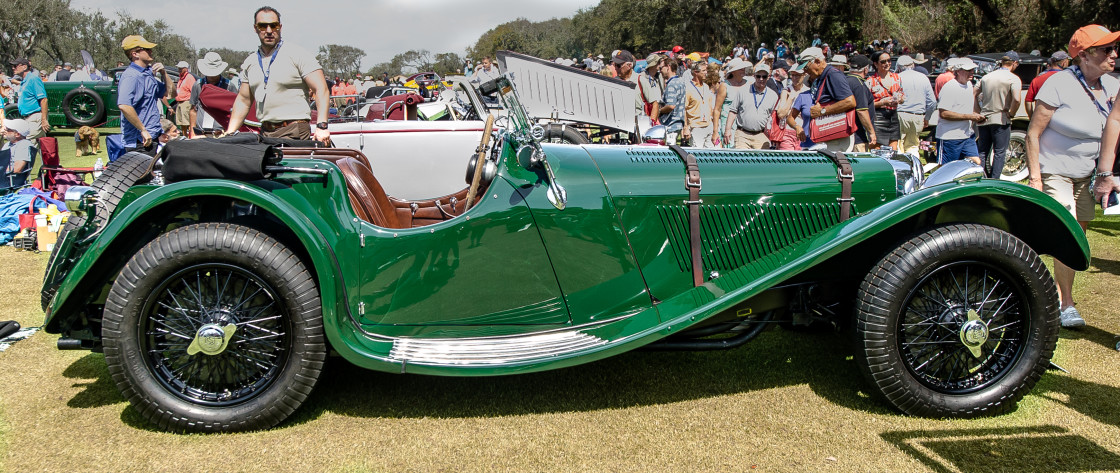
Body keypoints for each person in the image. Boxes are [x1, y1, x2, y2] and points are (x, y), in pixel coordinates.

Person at [1026, 24, 1119, 328]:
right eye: (1107, 49)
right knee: (1066, 232)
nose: (1114, 55)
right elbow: (1033, 134)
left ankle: (1057, 290)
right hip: (1055, 172)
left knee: (1079, 236)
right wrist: (1036, 178)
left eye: (1114, 49)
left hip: (1088, 176)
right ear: (1086, 55)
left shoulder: (1112, 87)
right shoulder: (1059, 84)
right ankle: (1066, 304)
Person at [225, 6, 331, 142]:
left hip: (294, 130)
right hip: (265, 132)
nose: (269, 31)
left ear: (280, 27)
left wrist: (322, 126)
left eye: (273, 26)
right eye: (263, 26)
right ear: (255, 28)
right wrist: (230, 132)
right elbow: (244, 100)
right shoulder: (250, 62)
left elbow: (321, 89)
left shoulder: (298, 54)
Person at [117, 35, 174, 156]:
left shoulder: (148, 74)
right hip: (139, 141)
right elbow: (124, 105)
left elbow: (171, 93)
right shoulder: (131, 76)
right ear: (135, 54)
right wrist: (143, 129)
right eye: (146, 49)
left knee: (151, 174)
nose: (150, 51)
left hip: (151, 137)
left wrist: (164, 73)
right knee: (142, 175)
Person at [794, 46, 856, 152]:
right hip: (830, 136)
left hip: (837, 137)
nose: (805, 71)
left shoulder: (833, 74)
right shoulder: (824, 76)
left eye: (806, 67)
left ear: (817, 61)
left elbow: (850, 102)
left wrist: (822, 111)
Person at [976, 51, 1022, 178]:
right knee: (1000, 152)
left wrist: (977, 112)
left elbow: (974, 93)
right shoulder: (1013, 78)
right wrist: (1011, 113)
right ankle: (994, 178)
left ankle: (979, 176)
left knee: (982, 151)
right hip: (1001, 118)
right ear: (1014, 63)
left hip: (984, 118)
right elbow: (1017, 99)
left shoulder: (986, 77)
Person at [936, 57, 984, 164]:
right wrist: (969, 117)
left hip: (967, 135)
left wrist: (977, 117)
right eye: (968, 70)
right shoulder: (950, 87)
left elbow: (967, 108)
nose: (972, 73)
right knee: (946, 169)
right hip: (949, 137)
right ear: (958, 71)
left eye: (972, 70)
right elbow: (944, 113)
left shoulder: (969, 85)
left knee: (976, 162)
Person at [723, 63, 778, 149]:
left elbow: (775, 117)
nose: (761, 79)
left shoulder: (773, 95)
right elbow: (733, 111)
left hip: (761, 135)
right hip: (742, 134)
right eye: (758, 76)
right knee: (742, 160)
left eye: (764, 76)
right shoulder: (743, 91)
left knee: (761, 161)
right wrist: (727, 130)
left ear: (769, 77)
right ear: (754, 76)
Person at [895, 55, 937, 156]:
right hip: (918, 115)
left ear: (899, 67)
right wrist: (927, 118)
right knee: (913, 146)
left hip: (900, 114)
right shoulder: (923, 78)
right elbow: (932, 102)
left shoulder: (897, 78)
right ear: (912, 65)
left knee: (898, 144)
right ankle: (914, 169)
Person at [867, 51, 904, 149]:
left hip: (893, 115)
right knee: (877, 149)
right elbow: (866, 105)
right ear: (876, 64)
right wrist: (882, 102)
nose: (887, 63)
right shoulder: (871, 80)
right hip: (878, 117)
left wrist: (900, 100)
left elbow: (903, 96)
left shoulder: (897, 77)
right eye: (883, 62)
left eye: (889, 60)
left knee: (893, 149)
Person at [190, 52, 230, 138]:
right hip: (201, 134)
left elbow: (234, 112)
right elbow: (193, 110)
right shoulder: (197, 85)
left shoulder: (229, 86)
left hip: (220, 134)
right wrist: (192, 131)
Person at [843, 54, 878, 152]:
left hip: (844, 134)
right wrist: (871, 132)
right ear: (865, 69)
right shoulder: (859, 84)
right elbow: (862, 111)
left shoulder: (844, 81)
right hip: (857, 136)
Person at [8, 58, 49, 140]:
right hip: (28, 118)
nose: (13, 68)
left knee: (25, 143)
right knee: (32, 147)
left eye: (15, 66)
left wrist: (44, 120)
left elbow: (44, 100)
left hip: (35, 118)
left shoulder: (33, 79)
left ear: (24, 67)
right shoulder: (24, 81)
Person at [1025, 51, 1070, 118]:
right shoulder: (1069, 79)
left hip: (1041, 118)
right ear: (1064, 63)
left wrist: (1032, 118)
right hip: (1062, 119)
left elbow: (1028, 101)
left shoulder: (1037, 79)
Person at [716, 58, 750, 148]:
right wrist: (715, 131)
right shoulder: (725, 85)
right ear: (733, 71)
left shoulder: (748, 84)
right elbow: (717, 109)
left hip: (744, 123)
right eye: (740, 68)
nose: (743, 70)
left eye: (743, 68)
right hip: (728, 123)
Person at [683, 62, 717, 148]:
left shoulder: (705, 86)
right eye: (704, 70)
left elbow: (710, 106)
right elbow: (684, 109)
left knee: (711, 155)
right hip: (696, 127)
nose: (706, 73)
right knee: (697, 155)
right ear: (696, 72)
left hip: (709, 125)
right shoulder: (688, 88)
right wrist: (686, 127)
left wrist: (714, 128)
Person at [658, 57, 687, 144]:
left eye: (661, 68)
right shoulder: (680, 82)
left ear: (668, 67)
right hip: (678, 124)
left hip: (671, 125)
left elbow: (671, 105)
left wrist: (659, 111)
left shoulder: (671, 84)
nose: (660, 71)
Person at [2, 119, 37, 187]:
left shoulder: (23, 145)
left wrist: (1, 170)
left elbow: (17, 169)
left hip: (10, 180)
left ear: (17, 134)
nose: (5, 131)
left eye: (8, 129)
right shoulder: (8, 144)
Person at [636, 53, 664, 125]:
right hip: (647, 111)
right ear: (653, 64)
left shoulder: (659, 76)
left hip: (659, 111)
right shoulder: (642, 77)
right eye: (658, 62)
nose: (660, 65)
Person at [173, 61, 196, 137]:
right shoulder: (181, 78)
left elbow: (194, 91)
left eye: (181, 68)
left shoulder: (189, 78)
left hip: (186, 102)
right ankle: (184, 136)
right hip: (180, 102)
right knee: (181, 122)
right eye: (179, 68)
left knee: (188, 122)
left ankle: (190, 136)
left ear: (186, 69)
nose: (179, 70)